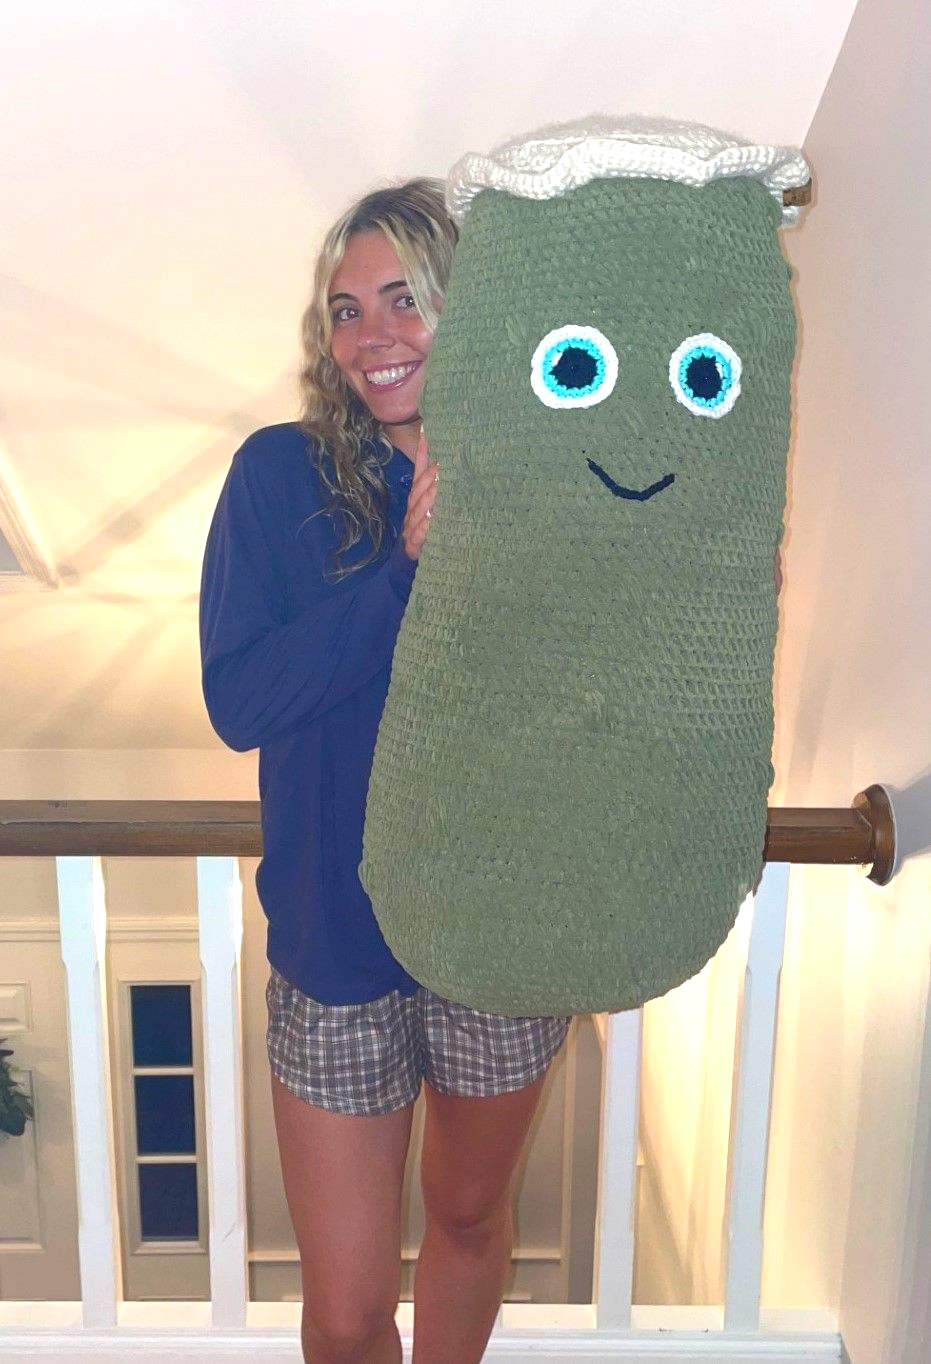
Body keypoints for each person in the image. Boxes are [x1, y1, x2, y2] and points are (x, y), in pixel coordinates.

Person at [199, 178, 571, 1364]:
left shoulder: (545, 484)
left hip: (497, 933)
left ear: (470, 310)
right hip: (334, 947)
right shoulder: (277, 476)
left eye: (406, 298)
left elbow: (589, 699)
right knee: (350, 1307)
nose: (374, 335)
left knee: (467, 1216)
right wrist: (402, 577)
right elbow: (240, 698)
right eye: (347, 308)